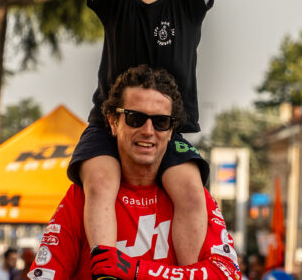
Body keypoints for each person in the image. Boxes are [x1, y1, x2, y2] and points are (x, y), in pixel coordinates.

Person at [71, 0, 224, 266]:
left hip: (167, 130)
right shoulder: (116, 4)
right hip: (108, 129)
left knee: (191, 192)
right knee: (101, 184)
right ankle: (105, 269)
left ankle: (186, 272)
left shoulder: (187, 5)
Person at [29, 65, 240, 280]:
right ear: (113, 122)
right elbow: (42, 276)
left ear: (171, 132)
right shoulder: (82, 197)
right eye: (135, 118)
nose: (148, 131)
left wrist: (135, 270)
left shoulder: (194, 195)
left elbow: (228, 274)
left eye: (161, 122)